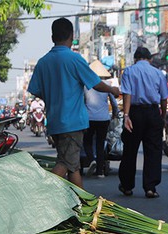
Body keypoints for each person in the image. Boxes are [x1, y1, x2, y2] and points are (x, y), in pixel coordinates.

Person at [27, 18, 120, 188]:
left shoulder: (43, 62)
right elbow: (95, 83)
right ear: (71, 36)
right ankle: (40, 194)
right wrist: (112, 90)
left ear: (52, 37)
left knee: (73, 166)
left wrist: (51, 94)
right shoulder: (74, 59)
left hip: (54, 122)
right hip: (73, 123)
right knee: (65, 164)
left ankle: (79, 204)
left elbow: (35, 90)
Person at [118, 46, 168, 199]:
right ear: (150, 59)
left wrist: (126, 115)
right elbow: (164, 98)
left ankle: (127, 186)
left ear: (135, 58)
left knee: (130, 150)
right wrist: (163, 116)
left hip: (135, 112)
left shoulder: (128, 71)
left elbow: (127, 94)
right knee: (154, 150)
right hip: (153, 112)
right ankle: (150, 187)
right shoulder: (158, 73)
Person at [83, 60, 119, 178]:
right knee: (100, 143)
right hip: (104, 118)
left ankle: (91, 159)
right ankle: (100, 172)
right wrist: (115, 114)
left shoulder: (85, 85)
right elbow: (114, 102)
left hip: (89, 118)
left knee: (87, 142)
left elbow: (82, 102)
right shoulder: (107, 84)